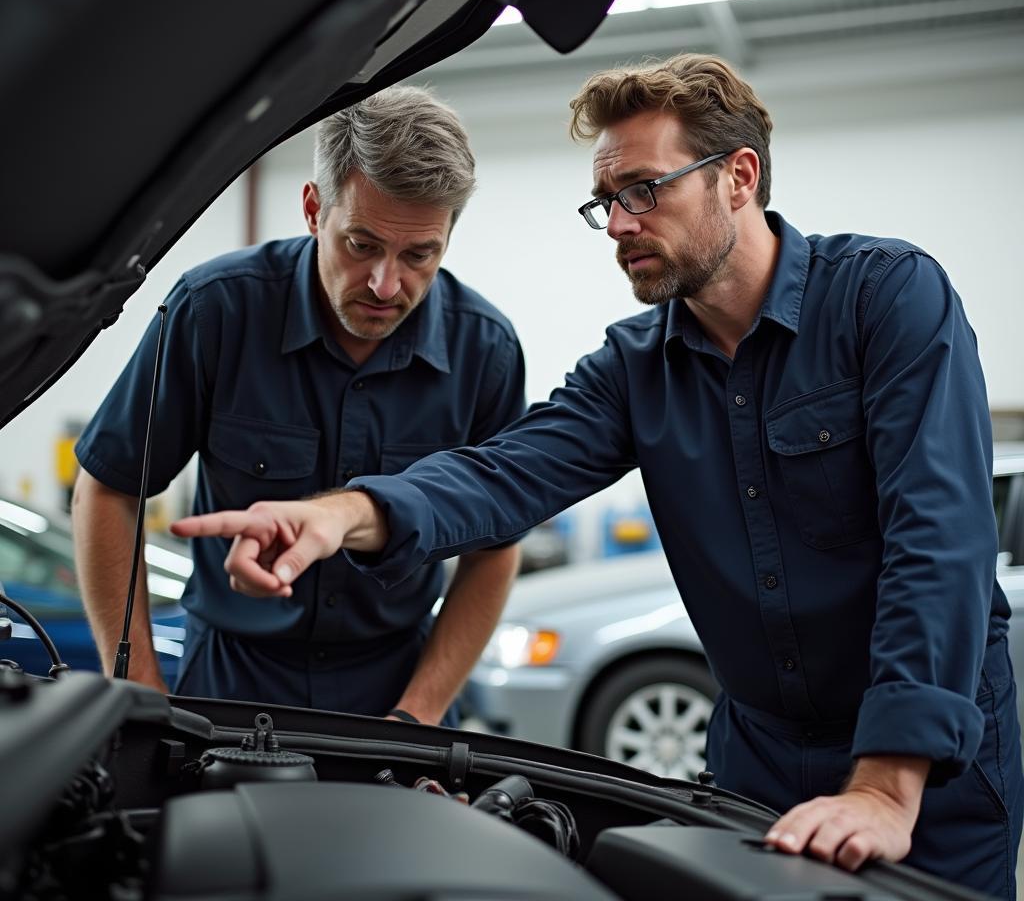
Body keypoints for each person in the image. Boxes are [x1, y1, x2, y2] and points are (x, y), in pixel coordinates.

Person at [172, 54, 1022, 895]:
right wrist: (345, 514)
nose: (618, 224)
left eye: (644, 191)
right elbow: (503, 473)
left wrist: (887, 782)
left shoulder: (888, 300)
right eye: (607, 201)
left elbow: (939, 538)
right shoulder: (633, 368)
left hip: (929, 769)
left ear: (738, 176)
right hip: (757, 766)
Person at [72, 85, 524, 726]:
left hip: (397, 688)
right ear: (315, 209)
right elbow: (106, 490)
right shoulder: (215, 311)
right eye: (361, 244)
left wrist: (416, 717)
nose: (386, 284)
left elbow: (495, 546)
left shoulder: (487, 350)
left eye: (419, 255)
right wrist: (141, 694)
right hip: (229, 684)